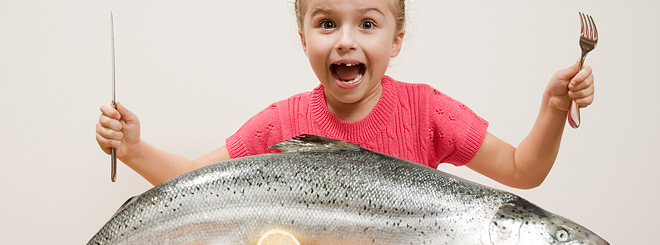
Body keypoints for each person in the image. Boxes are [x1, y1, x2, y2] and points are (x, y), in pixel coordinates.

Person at [96, 0, 594, 189]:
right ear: (303, 37)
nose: (346, 40)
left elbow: (521, 171)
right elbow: (195, 182)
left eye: (368, 23)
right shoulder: (279, 123)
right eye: (327, 23)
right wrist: (135, 149)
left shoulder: (429, 112)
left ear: (396, 40)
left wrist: (553, 109)